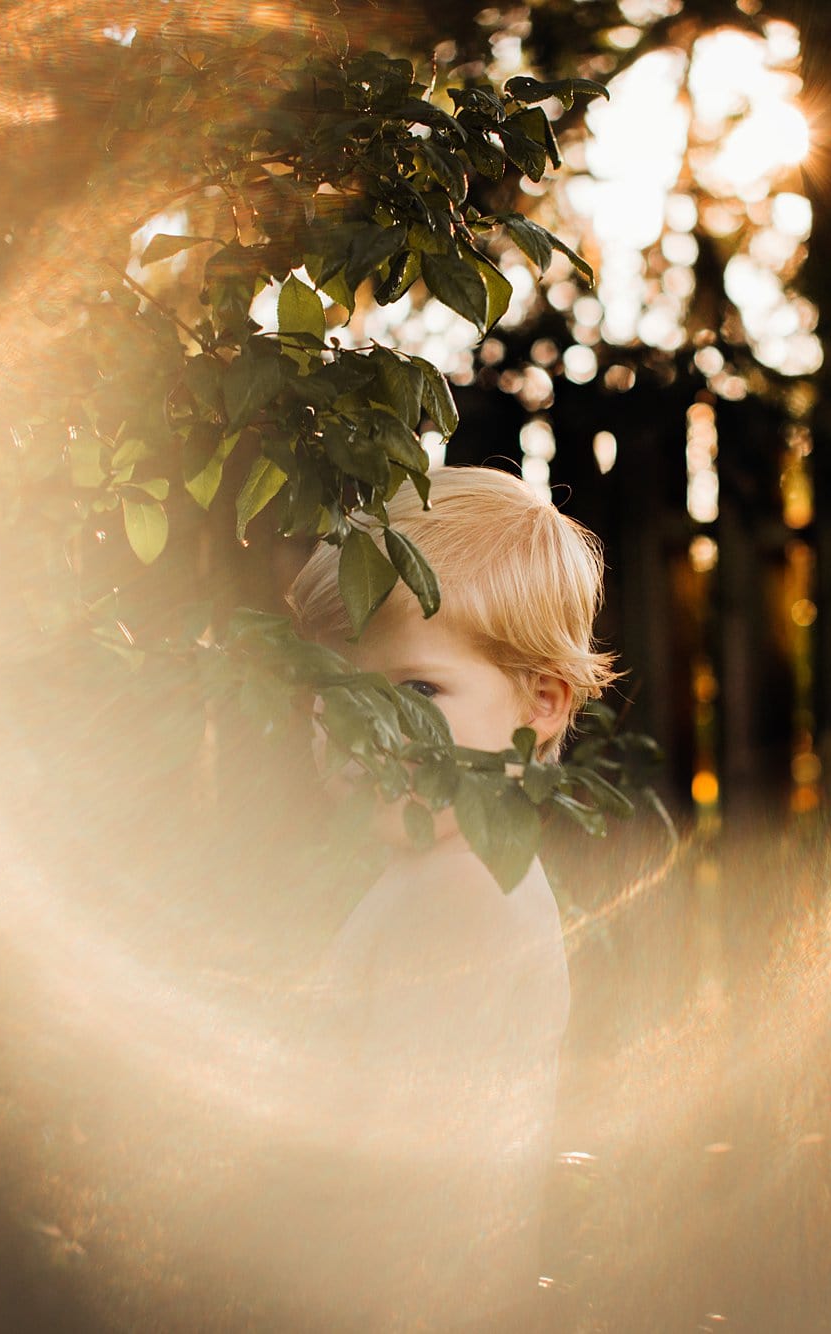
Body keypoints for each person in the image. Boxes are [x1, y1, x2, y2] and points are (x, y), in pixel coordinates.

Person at [272, 465, 618, 1330]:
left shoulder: (462, 895)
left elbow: (398, 1185)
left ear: (541, 704)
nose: (367, 732)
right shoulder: (444, 875)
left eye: (418, 691)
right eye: (336, 694)